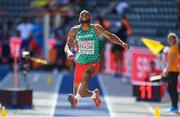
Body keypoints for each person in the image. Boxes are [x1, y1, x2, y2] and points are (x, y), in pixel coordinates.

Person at [64, 10, 129, 108]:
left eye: (87, 14)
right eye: (82, 14)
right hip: (80, 63)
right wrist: (69, 52)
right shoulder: (75, 30)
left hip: (93, 63)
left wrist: (122, 43)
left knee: (86, 76)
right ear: (79, 18)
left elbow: (110, 36)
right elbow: (67, 46)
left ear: (90, 18)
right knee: (82, 91)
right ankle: (94, 95)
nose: (84, 15)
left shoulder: (96, 28)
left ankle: (76, 99)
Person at [163, 33, 180, 112]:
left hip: (173, 71)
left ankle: (175, 106)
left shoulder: (175, 48)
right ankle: (173, 105)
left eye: (171, 38)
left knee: (172, 89)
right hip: (171, 70)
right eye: (168, 38)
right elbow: (169, 61)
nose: (169, 40)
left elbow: (172, 62)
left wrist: (167, 70)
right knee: (170, 88)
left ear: (174, 39)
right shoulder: (171, 48)